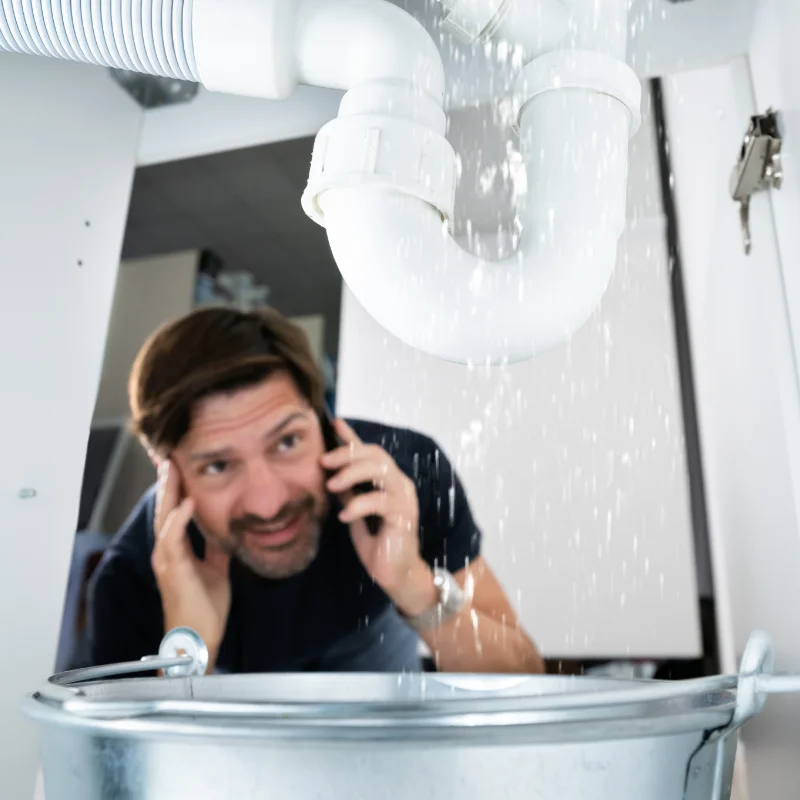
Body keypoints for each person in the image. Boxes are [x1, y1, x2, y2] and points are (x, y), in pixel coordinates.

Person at [85, 306, 543, 675]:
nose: (268, 503)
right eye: (218, 465)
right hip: (227, 668)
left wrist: (414, 586)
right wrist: (189, 647)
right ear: (168, 472)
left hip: (371, 634)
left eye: (287, 441)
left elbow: (525, 674)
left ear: (324, 419)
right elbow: (131, 763)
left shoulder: (407, 476)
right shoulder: (132, 576)